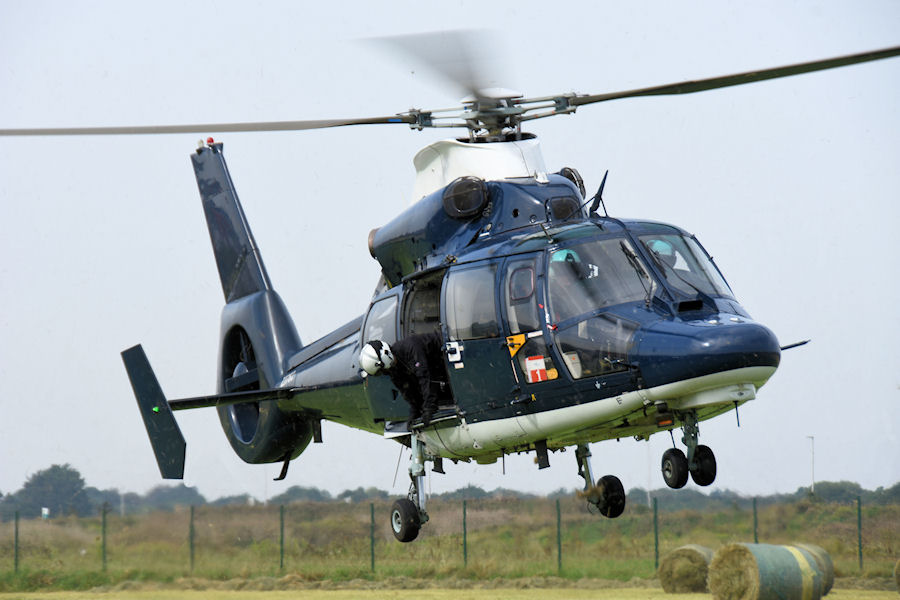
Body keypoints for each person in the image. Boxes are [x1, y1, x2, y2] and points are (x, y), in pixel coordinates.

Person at [360, 331, 445, 427]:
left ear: (385, 356)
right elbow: (407, 390)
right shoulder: (393, 370)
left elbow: (425, 377)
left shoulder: (411, 348)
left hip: (443, 356)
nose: (383, 373)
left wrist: (429, 407)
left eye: (381, 370)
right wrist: (415, 410)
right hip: (438, 371)